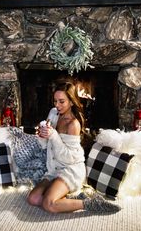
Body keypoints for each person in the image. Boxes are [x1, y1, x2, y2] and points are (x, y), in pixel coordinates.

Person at [27, 81, 120, 214]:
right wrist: (42, 136)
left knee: (49, 204)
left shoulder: (73, 124)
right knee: (33, 199)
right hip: (54, 169)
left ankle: (88, 203)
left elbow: (69, 158)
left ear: (71, 102)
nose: (57, 105)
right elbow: (44, 146)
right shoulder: (53, 113)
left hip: (71, 169)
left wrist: (53, 135)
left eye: (61, 101)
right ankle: (68, 197)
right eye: (55, 101)